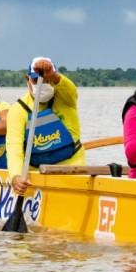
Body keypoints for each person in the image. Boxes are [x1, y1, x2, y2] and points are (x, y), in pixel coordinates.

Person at [8, 57, 86, 195]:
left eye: (47, 80)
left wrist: (53, 76)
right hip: (37, 174)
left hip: (73, 169)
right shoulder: (18, 110)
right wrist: (16, 176)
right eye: (36, 80)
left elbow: (71, 90)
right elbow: (14, 147)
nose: (42, 83)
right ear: (27, 80)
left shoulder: (66, 98)